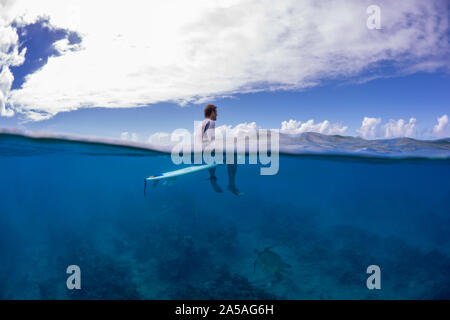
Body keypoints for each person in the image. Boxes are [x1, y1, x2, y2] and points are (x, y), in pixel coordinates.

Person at [200, 104, 242, 196]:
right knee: (233, 158)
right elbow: (209, 140)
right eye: (216, 112)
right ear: (212, 112)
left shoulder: (203, 123)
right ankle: (231, 185)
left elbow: (204, 140)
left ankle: (212, 178)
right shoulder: (211, 122)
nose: (217, 115)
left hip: (206, 154)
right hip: (209, 153)